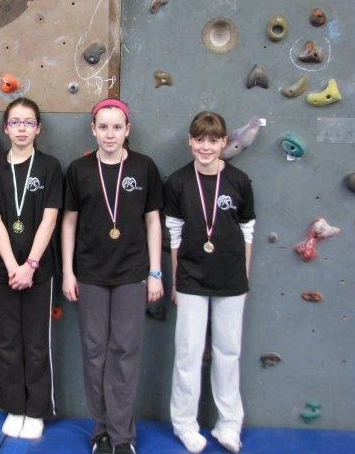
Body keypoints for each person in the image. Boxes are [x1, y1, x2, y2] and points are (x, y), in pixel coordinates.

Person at [61, 98, 164, 454]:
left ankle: (122, 437)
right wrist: (68, 272)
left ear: (127, 130)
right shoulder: (79, 170)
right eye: (103, 127)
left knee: (124, 351)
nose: (110, 134)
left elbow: (153, 221)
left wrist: (155, 271)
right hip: (90, 273)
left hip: (131, 273)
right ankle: (101, 430)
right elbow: (68, 223)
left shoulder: (144, 167)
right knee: (94, 352)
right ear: (93, 129)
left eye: (117, 127)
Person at [164, 111, 255, 454]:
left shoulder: (239, 181)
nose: (206, 147)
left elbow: (247, 232)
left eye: (213, 141)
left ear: (224, 142)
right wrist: (176, 281)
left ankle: (229, 425)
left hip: (231, 280)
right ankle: (185, 425)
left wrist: (244, 276)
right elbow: (174, 236)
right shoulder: (177, 182)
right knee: (188, 354)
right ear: (190, 141)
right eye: (199, 140)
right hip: (190, 278)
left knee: (228, 353)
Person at [0, 97, 62, 439]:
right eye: (15, 122)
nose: (22, 129)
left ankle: (37, 409)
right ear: (6, 128)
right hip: (3, 269)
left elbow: (50, 219)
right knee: (8, 340)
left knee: (37, 341)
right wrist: (13, 266)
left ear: (38, 128)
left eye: (29, 122)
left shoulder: (50, 166)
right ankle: (14, 406)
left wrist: (29, 264)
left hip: (38, 269)